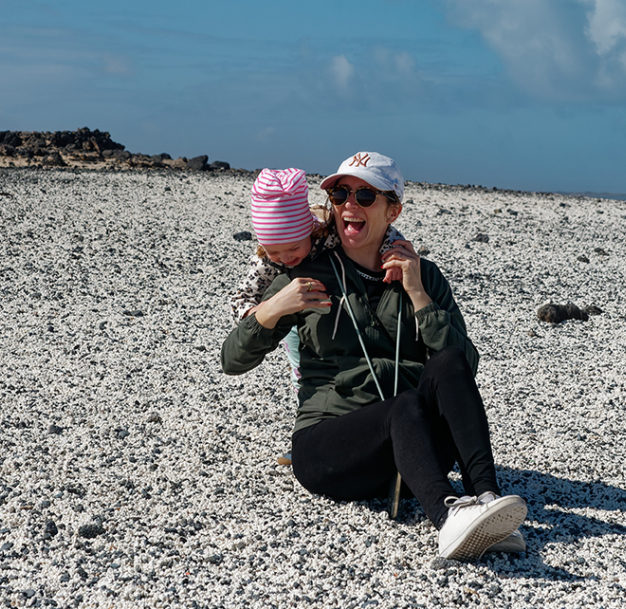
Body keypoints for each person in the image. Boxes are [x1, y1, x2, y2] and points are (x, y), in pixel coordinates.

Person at [222, 152, 527, 559]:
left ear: (393, 210)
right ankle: (449, 518)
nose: (350, 203)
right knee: (403, 407)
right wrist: (272, 308)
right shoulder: (303, 275)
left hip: (414, 448)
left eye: (365, 195)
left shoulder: (425, 275)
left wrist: (417, 294)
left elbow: (464, 370)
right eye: (339, 194)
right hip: (331, 447)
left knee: (448, 362)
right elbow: (232, 361)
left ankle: (487, 502)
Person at [227, 167, 403, 394]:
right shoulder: (264, 260)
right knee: (298, 360)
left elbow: (384, 232)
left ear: (309, 231)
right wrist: (266, 311)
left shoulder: (326, 232)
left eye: (294, 248)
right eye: (275, 252)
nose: (286, 258)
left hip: (323, 298)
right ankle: (301, 386)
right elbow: (240, 299)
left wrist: (391, 252)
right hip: (286, 304)